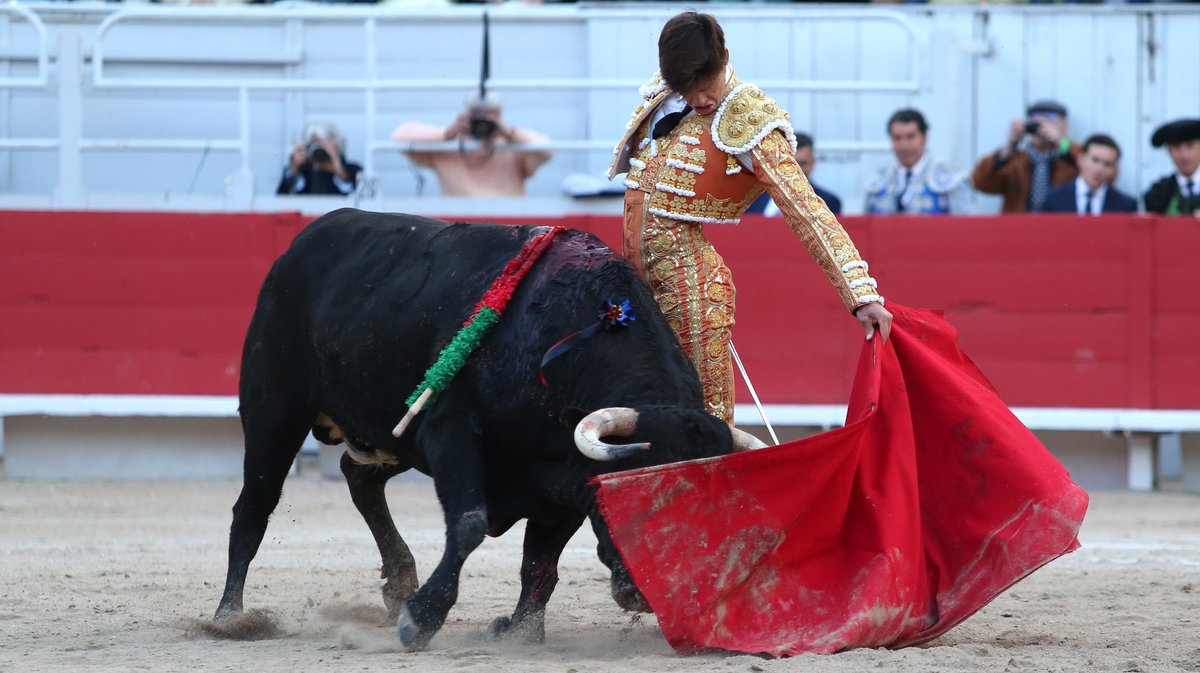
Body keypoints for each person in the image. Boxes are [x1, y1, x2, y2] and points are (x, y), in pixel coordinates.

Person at [607, 10, 891, 424]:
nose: (699, 101)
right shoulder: (669, 94)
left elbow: (805, 208)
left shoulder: (748, 118)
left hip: (692, 290)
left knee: (704, 418)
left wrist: (861, 294)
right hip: (638, 282)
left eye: (705, 87)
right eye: (688, 91)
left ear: (725, 56)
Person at [390, 95, 553, 197]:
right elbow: (399, 136)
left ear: (500, 116)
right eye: (476, 114)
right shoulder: (448, 145)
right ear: (466, 115)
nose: (483, 121)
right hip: (463, 222)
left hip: (510, 220)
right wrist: (447, 134)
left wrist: (509, 132)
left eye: (491, 114)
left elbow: (546, 150)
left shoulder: (513, 147)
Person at [971, 100, 1080, 213]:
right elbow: (979, 182)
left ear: (1065, 127)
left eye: (1050, 116)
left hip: (1061, 225)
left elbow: (1087, 169)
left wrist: (1062, 142)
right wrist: (1009, 147)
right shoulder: (1017, 159)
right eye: (1035, 116)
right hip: (1020, 226)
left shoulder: (1069, 155)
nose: (1041, 121)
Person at [864, 108, 969, 215]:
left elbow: (965, 227)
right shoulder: (878, 181)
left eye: (910, 137)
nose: (904, 145)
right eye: (897, 138)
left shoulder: (950, 178)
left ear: (925, 137)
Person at [745, 132, 842, 216]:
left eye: (802, 163)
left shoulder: (829, 203)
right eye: (788, 163)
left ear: (812, 164)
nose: (795, 171)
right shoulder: (750, 200)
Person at [1040, 134, 1137, 215]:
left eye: (1107, 164)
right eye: (1095, 160)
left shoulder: (1126, 205)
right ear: (1080, 159)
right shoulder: (1054, 198)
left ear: (1114, 169)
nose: (1099, 169)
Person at [276, 123, 362, 196]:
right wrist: (294, 169)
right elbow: (282, 197)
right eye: (313, 144)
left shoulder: (353, 170)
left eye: (323, 144)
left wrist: (336, 167)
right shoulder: (302, 170)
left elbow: (353, 194)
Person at [1143, 118, 1200, 217]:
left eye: (1190, 146)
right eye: (1177, 147)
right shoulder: (1157, 194)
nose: (1184, 156)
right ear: (1169, 151)